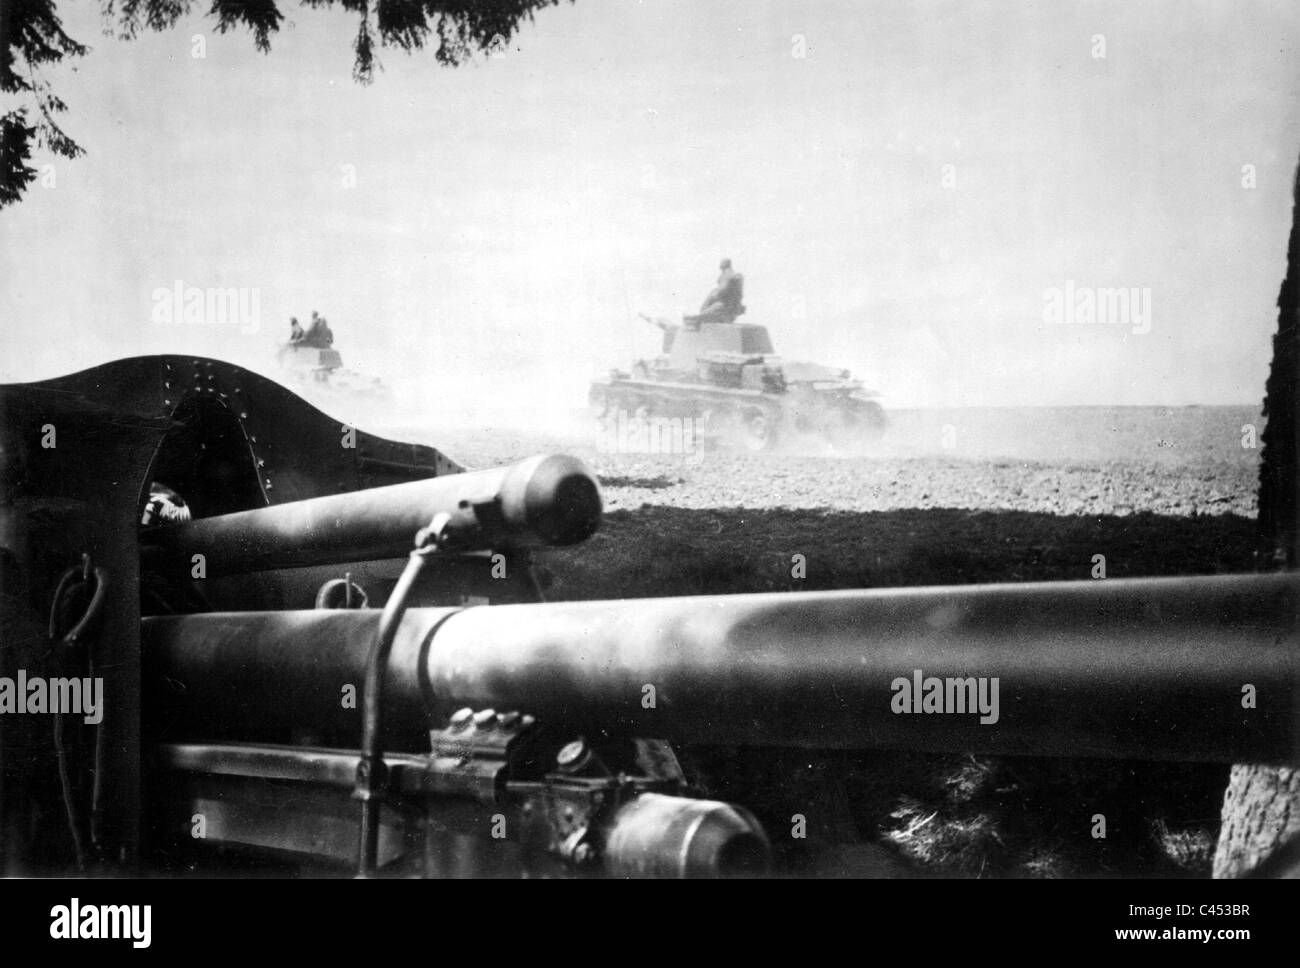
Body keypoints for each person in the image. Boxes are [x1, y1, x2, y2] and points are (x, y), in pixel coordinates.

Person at [693, 258, 745, 324]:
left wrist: (712, 296)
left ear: (723, 265)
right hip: (732, 309)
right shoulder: (733, 274)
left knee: (700, 317)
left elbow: (721, 291)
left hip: (722, 306)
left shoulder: (727, 274)